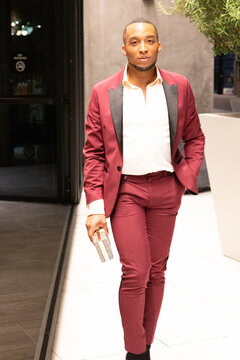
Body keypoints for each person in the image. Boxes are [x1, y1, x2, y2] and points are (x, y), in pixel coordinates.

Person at [83, 18, 205, 360]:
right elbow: (93, 154)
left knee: (157, 271)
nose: (142, 48)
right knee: (136, 271)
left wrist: (185, 176)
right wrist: (95, 209)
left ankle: (146, 345)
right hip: (126, 193)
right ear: (124, 49)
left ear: (159, 45)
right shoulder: (102, 92)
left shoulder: (179, 86)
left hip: (167, 189)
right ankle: (135, 352)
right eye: (134, 42)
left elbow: (195, 137)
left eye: (149, 41)